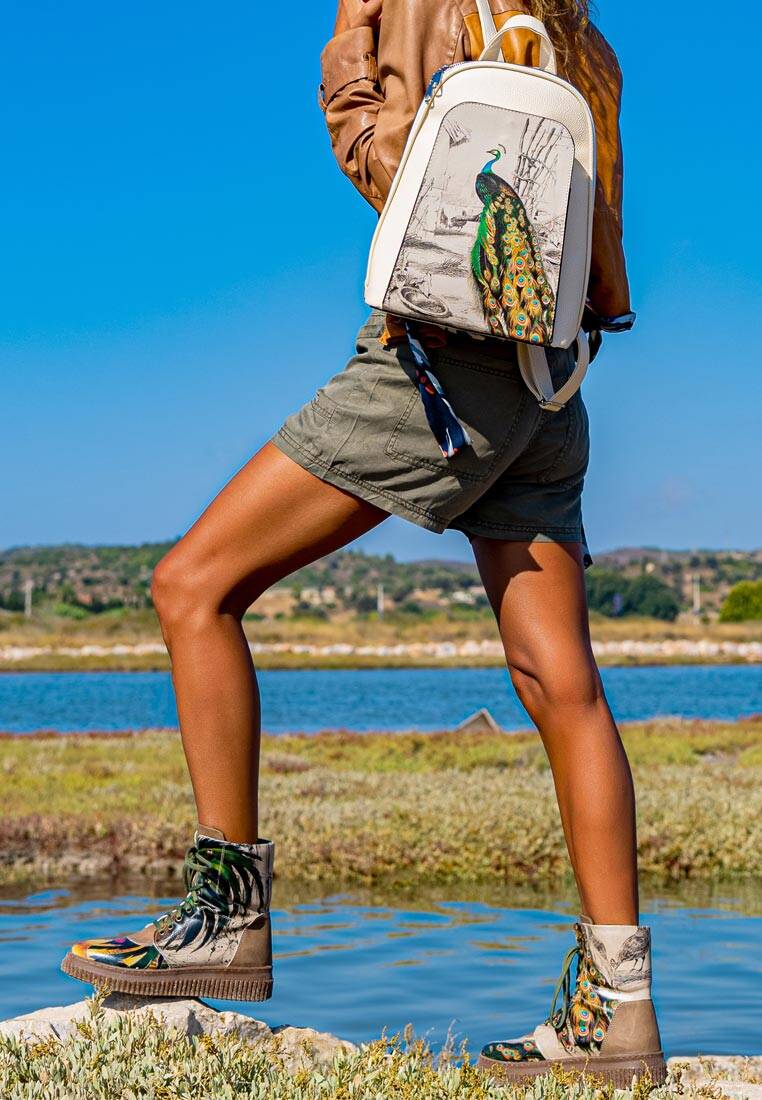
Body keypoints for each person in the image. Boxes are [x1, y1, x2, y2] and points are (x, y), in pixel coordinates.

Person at [62, 0, 664, 1084]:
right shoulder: (575, 27)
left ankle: (226, 921)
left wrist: (354, 58)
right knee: (560, 682)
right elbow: (597, 228)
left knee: (192, 585)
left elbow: (384, 166)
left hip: (440, 361)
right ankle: (618, 1012)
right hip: (551, 380)